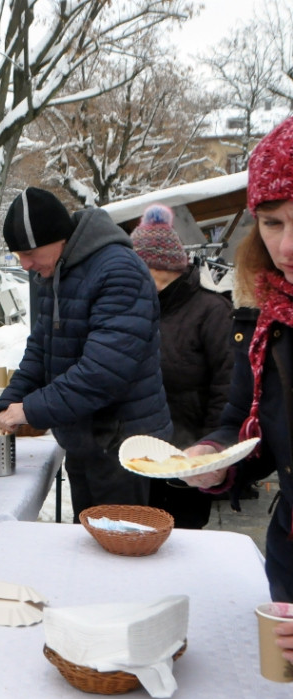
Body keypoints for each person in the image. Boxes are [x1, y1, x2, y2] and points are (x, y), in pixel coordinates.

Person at [0, 187, 172, 517]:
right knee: (90, 544)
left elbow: (104, 373)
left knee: (119, 551)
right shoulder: (57, 270)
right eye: (19, 255)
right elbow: (41, 349)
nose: (26, 264)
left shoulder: (118, 271)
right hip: (84, 437)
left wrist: (30, 410)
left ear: (59, 237)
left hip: (122, 443)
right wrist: (11, 399)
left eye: (30, 253)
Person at [186, 116, 293, 602]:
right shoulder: (268, 319)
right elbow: (245, 424)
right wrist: (216, 457)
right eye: (272, 223)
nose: (286, 247)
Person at [129, 204, 233, 529]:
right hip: (139, 460)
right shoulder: (135, 308)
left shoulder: (212, 312)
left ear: (158, 269)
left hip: (185, 466)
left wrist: (209, 452)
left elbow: (227, 391)